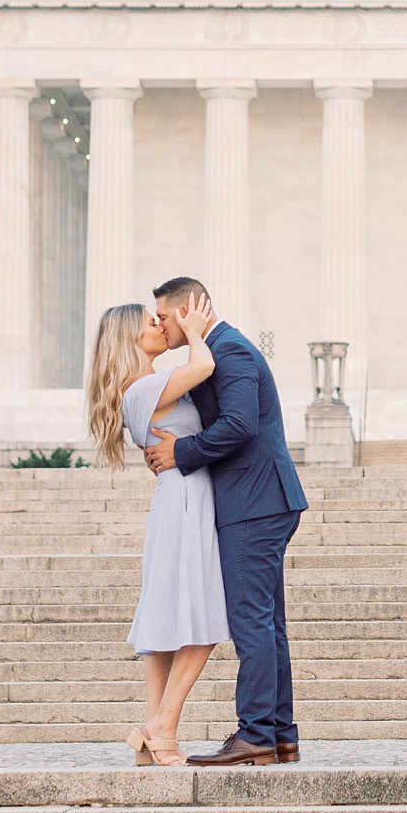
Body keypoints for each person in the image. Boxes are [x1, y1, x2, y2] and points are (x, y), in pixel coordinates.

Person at [144, 275, 310, 767]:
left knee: (250, 621)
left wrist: (181, 452)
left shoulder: (230, 350)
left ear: (188, 311)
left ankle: (256, 732)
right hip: (258, 500)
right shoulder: (216, 351)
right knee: (268, 623)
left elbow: (240, 424)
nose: (161, 325)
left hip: (254, 502)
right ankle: (279, 735)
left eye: (164, 315)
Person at [83, 294, 224, 767]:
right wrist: (197, 328)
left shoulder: (146, 387)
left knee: (169, 620)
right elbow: (203, 366)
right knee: (204, 619)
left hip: (180, 496)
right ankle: (162, 725)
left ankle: (153, 734)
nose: (162, 326)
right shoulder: (143, 388)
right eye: (151, 322)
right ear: (130, 338)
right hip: (186, 500)